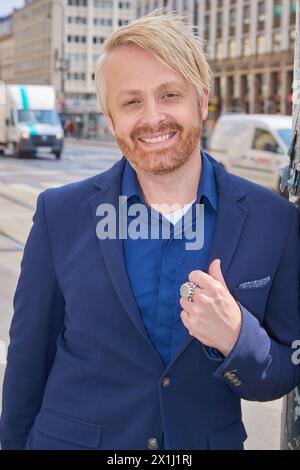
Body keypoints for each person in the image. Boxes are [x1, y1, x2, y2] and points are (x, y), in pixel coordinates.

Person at [0, 13, 299, 451]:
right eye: (132, 102)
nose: (153, 118)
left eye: (170, 94)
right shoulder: (58, 214)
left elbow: (284, 373)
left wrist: (238, 339)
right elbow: (27, 362)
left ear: (201, 100)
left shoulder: (274, 220)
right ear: (110, 118)